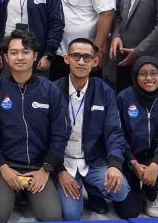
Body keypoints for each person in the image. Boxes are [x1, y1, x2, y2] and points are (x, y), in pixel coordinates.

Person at [0, 30, 67, 223]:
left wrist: (46, 169)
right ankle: (13, 193)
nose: (20, 57)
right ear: (6, 57)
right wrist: (3, 167)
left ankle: (24, 194)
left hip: (38, 166)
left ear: (35, 56)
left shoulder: (50, 91)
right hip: (4, 166)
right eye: (14, 53)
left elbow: (60, 134)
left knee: (52, 216)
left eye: (25, 52)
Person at [54, 38, 130, 219]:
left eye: (87, 57)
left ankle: (92, 188)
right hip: (64, 162)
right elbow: (45, 135)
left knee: (121, 191)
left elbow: (114, 131)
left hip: (93, 161)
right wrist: (59, 170)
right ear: (66, 58)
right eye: (76, 56)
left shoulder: (104, 91)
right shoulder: (53, 90)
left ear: (95, 61)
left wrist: (115, 165)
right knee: (71, 215)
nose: (81, 61)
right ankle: (70, 184)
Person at [114, 56, 158, 218]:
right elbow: (117, 134)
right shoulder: (123, 98)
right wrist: (133, 163)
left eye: (154, 73)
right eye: (143, 74)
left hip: (153, 159)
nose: (149, 78)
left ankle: (150, 195)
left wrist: (155, 165)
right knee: (129, 212)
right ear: (135, 76)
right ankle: (133, 189)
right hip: (128, 159)